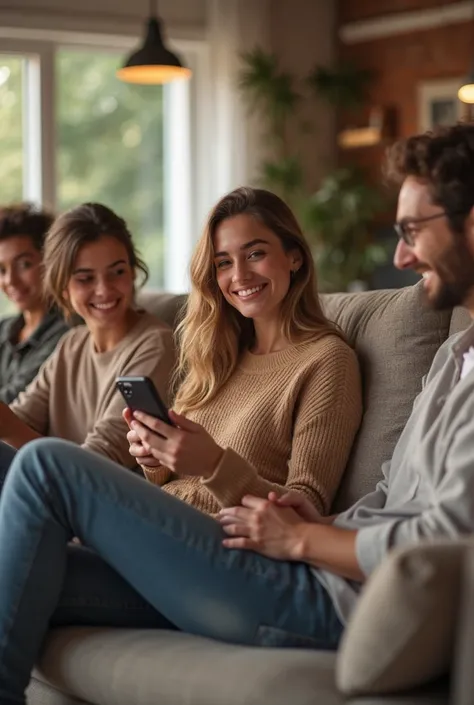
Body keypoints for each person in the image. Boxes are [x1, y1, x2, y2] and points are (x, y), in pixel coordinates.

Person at [0, 185, 365, 702]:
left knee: (44, 463)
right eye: (223, 262)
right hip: (167, 555)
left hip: (241, 562)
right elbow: (173, 478)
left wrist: (213, 464)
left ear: (295, 257)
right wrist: (154, 457)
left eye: (255, 253)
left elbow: (307, 506)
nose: (239, 276)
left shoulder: (326, 361)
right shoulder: (220, 358)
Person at [0, 203, 175, 478]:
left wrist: (10, 428)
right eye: (85, 278)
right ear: (62, 288)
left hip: (100, 499)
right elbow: (21, 414)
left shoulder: (156, 345)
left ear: (132, 271)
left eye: (117, 272)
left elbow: (96, 463)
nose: (104, 290)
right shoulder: (72, 344)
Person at [0, 203, 69, 404]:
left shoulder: (67, 334)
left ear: (50, 263)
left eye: (24, 265)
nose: (10, 280)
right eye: (2, 270)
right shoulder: (5, 329)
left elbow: (14, 401)